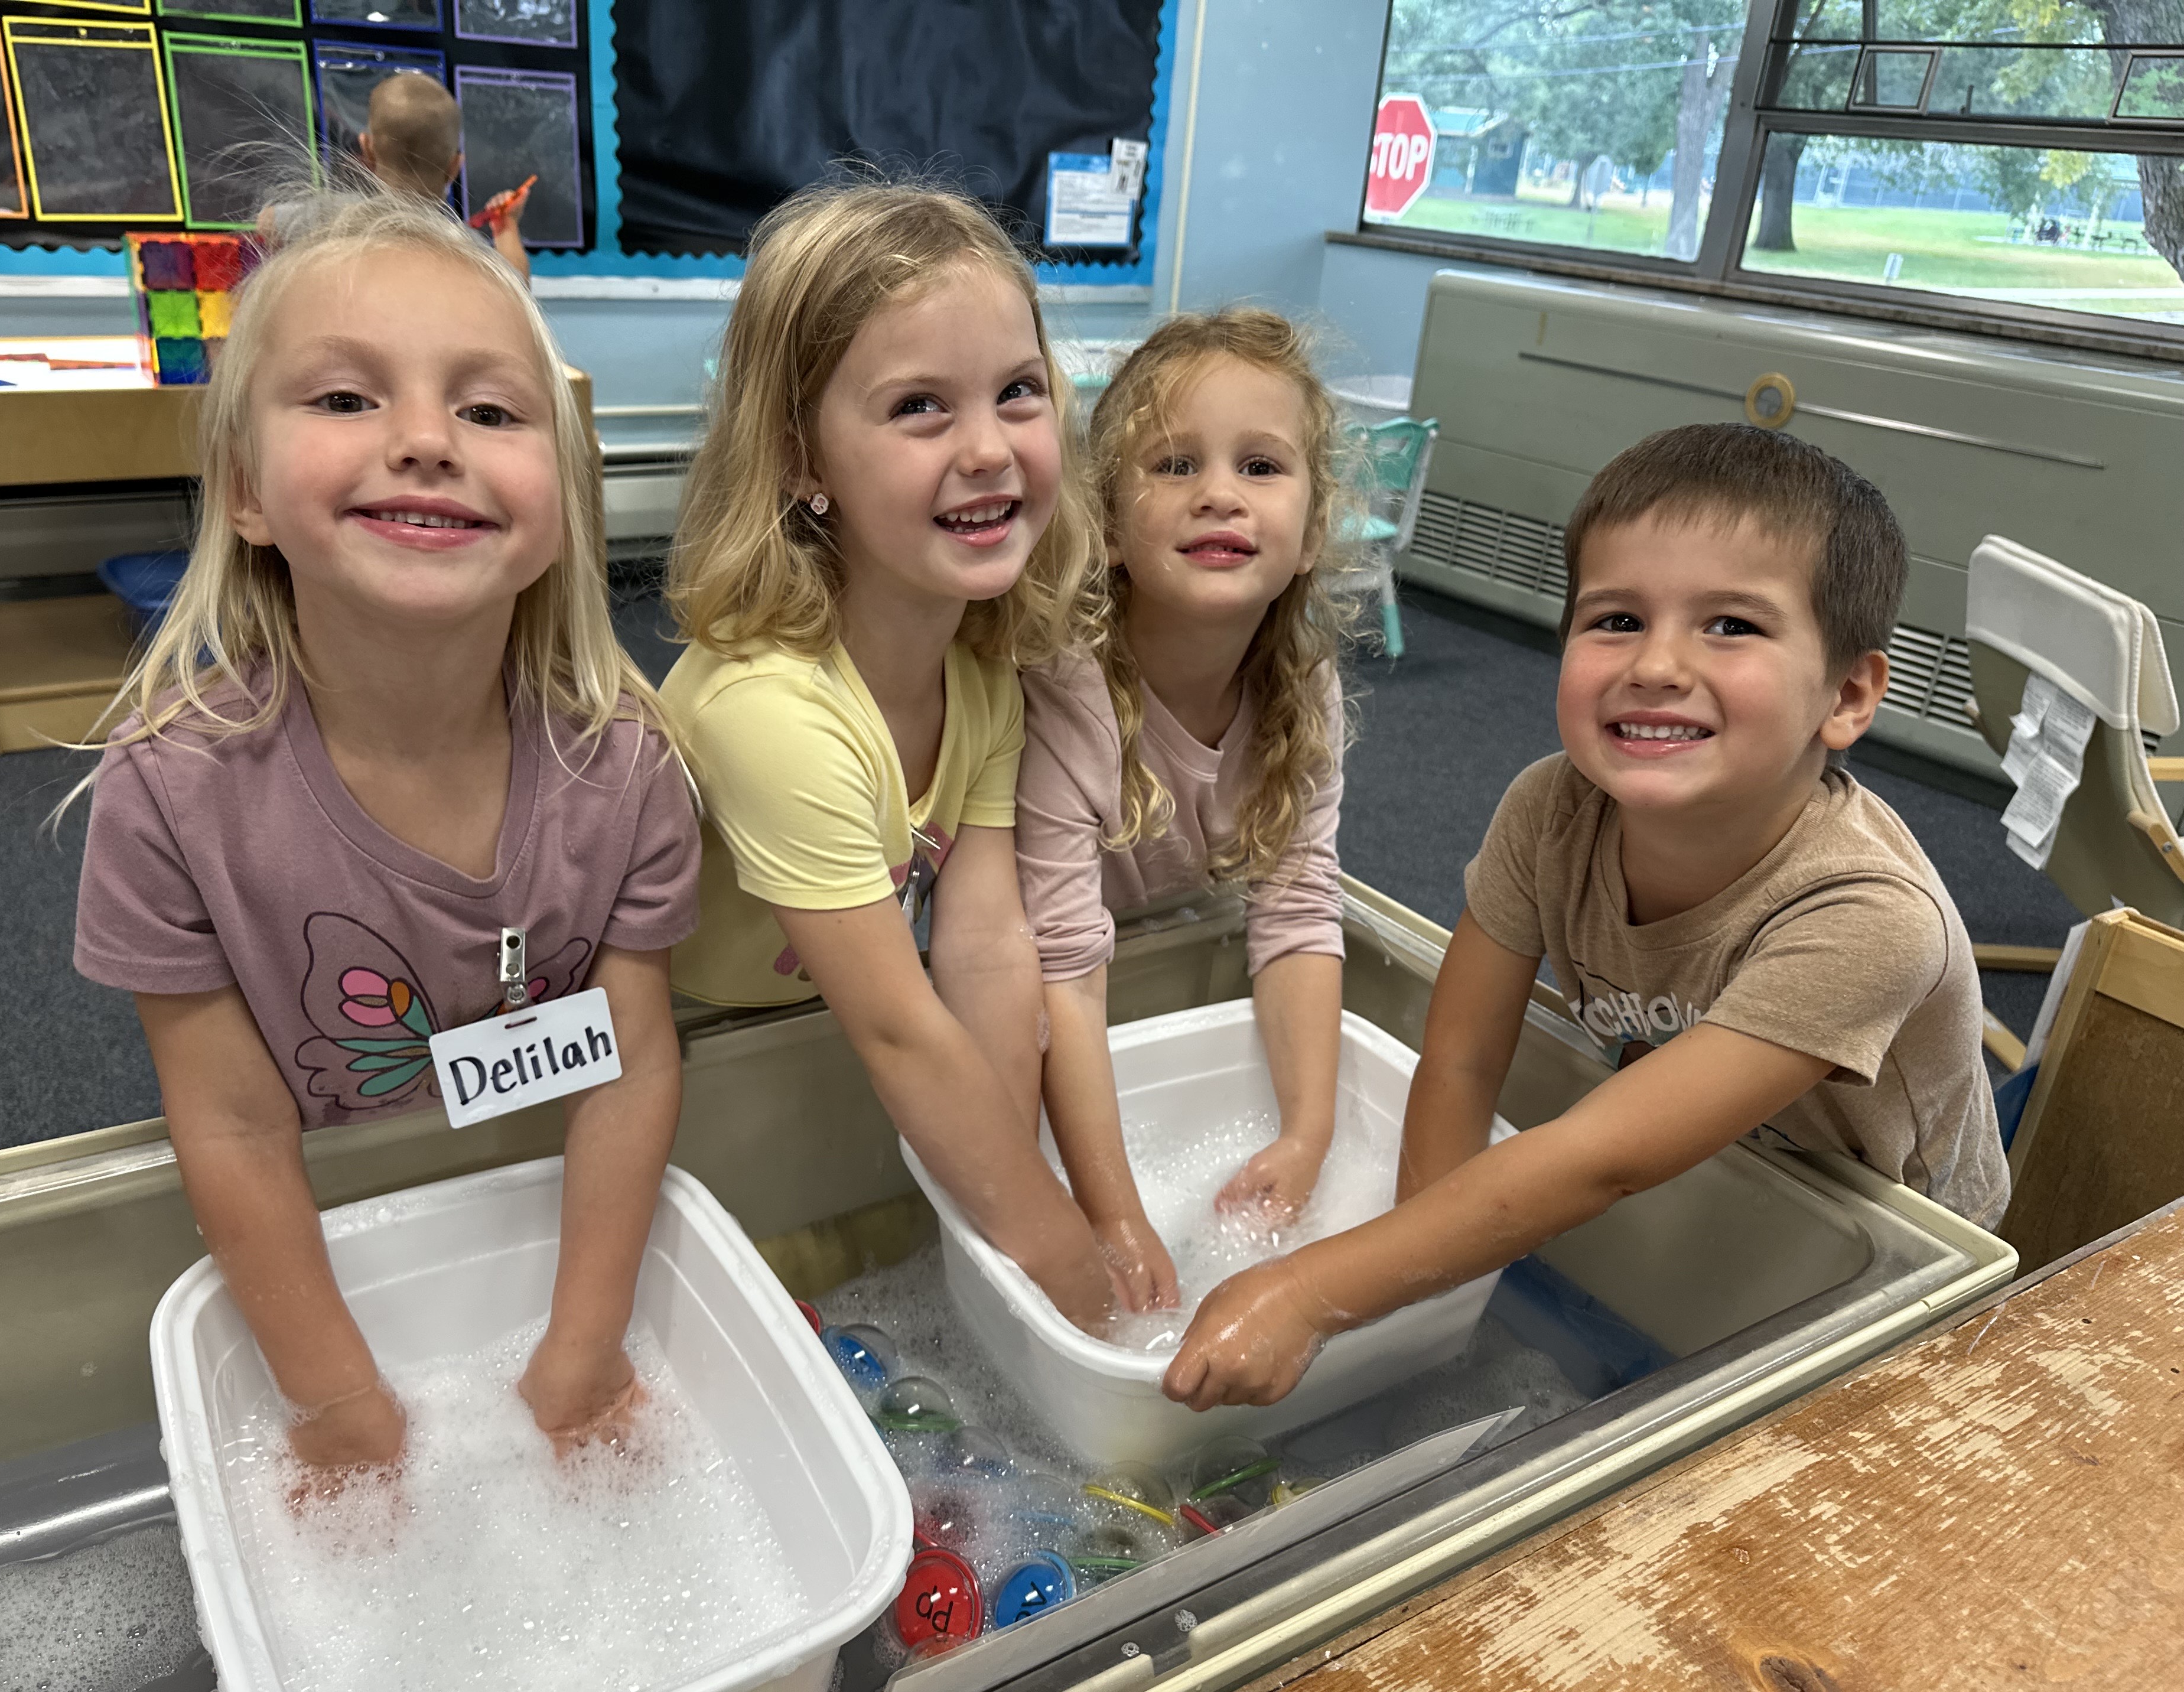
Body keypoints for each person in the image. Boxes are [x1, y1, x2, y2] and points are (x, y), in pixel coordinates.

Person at [1163, 421, 2011, 1410]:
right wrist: (1410, 1283)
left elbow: (1600, 1158)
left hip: (1899, 1257)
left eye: (1731, 626)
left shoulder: (1867, 917)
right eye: (1616, 619)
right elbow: (1462, 1058)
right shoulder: (1549, 810)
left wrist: (1311, 1292)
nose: (1656, 664)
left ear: (1848, 694)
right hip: (1707, 1175)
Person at [70, 191, 699, 1488]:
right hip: (335, 1236)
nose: (424, 440)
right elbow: (233, 1132)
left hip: (528, 1207)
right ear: (245, 492)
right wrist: (342, 1405)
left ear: (563, 502)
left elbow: (631, 1066)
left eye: (491, 411)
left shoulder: (629, 770)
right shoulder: (170, 795)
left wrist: (584, 1346)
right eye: (347, 398)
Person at [659, 177, 1115, 1332]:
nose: (989, 448)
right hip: (702, 1075)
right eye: (920, 407)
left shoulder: (977, 671)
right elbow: (901, 1029)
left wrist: (1005, 1204)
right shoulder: (772, 709)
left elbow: (987, 944)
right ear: (800, 459)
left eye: (1018, 391)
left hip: (827, 1041)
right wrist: (1058, 1258)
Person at [1015, 309, 1355, 1313]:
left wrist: (1307, 1134)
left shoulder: (1303, 690)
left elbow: (1299, 913)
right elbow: (1061, 973)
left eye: (1261, 465)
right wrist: (1116, 1215)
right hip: (1043, 994)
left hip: (1150, 958)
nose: (1219, 492)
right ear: (1110, 528)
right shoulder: (1068, 690)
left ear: (1311, 533)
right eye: (1174, 464)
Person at [358, 70, 529, 279]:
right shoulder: (464, 255)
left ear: (367, 151)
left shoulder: (342, 240)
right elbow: (515, 285)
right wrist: (507, 227)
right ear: (454, 167)